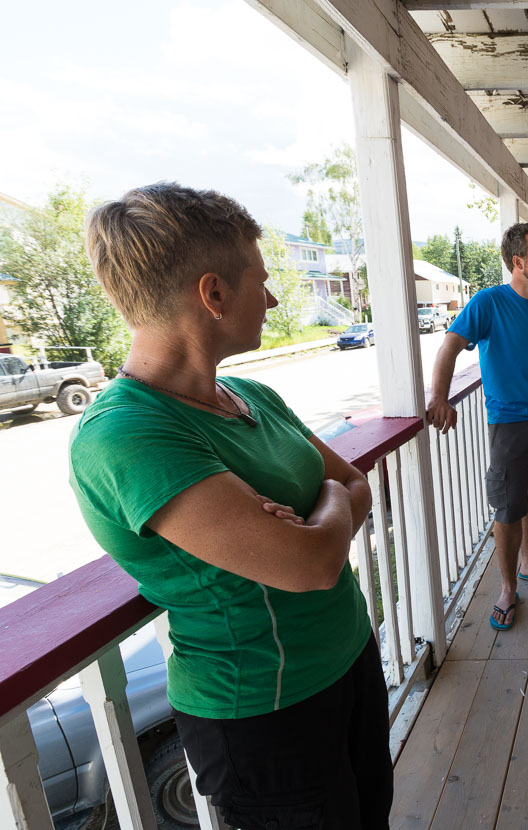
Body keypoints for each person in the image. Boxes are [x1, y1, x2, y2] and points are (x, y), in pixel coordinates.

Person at [70, 183, 391, 828]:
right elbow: (311, 566)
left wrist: (321, 511)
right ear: (213, 294)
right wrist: (325, 514)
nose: (272, 298)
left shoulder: (249, 395)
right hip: (264, 711)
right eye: (262, 281)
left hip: (349, 655)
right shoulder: (127, 434)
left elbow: (356, 484)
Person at [426, 222, 528, 631]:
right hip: (509, 423)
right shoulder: (489, 302)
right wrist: (439, 397)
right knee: (508, 507)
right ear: (518, 261)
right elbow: (450, 346)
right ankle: (508, 588)